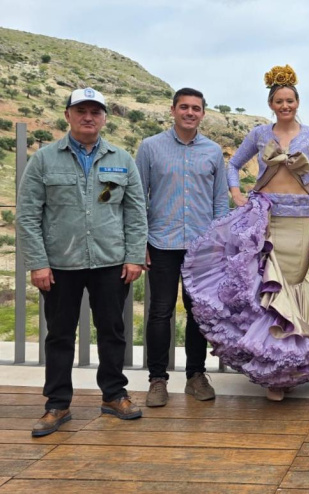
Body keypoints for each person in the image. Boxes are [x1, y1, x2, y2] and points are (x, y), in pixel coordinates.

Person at [182, 65, 309, 401]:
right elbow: (232, 165)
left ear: (297, 102)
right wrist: (237, 194)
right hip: (265, 220)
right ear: (272, 104)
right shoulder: (260, 134)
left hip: (301, 223)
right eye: (279, 101)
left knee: (292, 289)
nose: (285, 105)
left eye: (290, 100)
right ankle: (276, 375)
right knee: (269, 296)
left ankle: (294, 363)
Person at [17, 87, 147, 436]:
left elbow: (136, 212)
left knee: (113, 331)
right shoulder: (43, 160)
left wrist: (135, 256)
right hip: (60, 264)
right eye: (81, 111)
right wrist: (38, 263)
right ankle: (57, 404)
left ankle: (114, 395)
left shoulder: (122, 158)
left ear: (104, 117)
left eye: (95, 111)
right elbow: (28, 215)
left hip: (110, 262)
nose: (88, 117)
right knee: (59, 335)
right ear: (68, 115)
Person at [136, 87, 228, 407]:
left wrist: (219, 244)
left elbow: (220, 202)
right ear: (173, 110)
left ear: (203, 113)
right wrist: (139, 242)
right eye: (184, 107)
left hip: (202, 247)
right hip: (161, 242)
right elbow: (137, 199)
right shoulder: (150, 148)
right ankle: (157, 380)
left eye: (196, 108)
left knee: (198, 314)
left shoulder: (213, 151)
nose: (190, 113)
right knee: (160, 312)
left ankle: (195, 376)